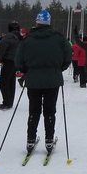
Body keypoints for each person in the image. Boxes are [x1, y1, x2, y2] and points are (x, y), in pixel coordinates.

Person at [15, 9, 72, 154]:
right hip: (52, 79)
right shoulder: (59, 38)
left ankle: (30, 139)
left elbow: (19, 60)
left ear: (37, 22)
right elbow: (67, 56)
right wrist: (58, 69)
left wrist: (27, 70)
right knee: (50, 110)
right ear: (49, 22)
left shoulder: (27, 39)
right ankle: (49, 139)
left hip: (33, 79)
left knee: (34, 110)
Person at [0, 21, 22, 109]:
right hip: (16, 61)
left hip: (8, 61)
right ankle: (10, 101)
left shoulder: (7, 37)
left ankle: (6, 102)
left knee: (4, 82)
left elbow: (2, 49)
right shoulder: (19, 37)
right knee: (11, 82)